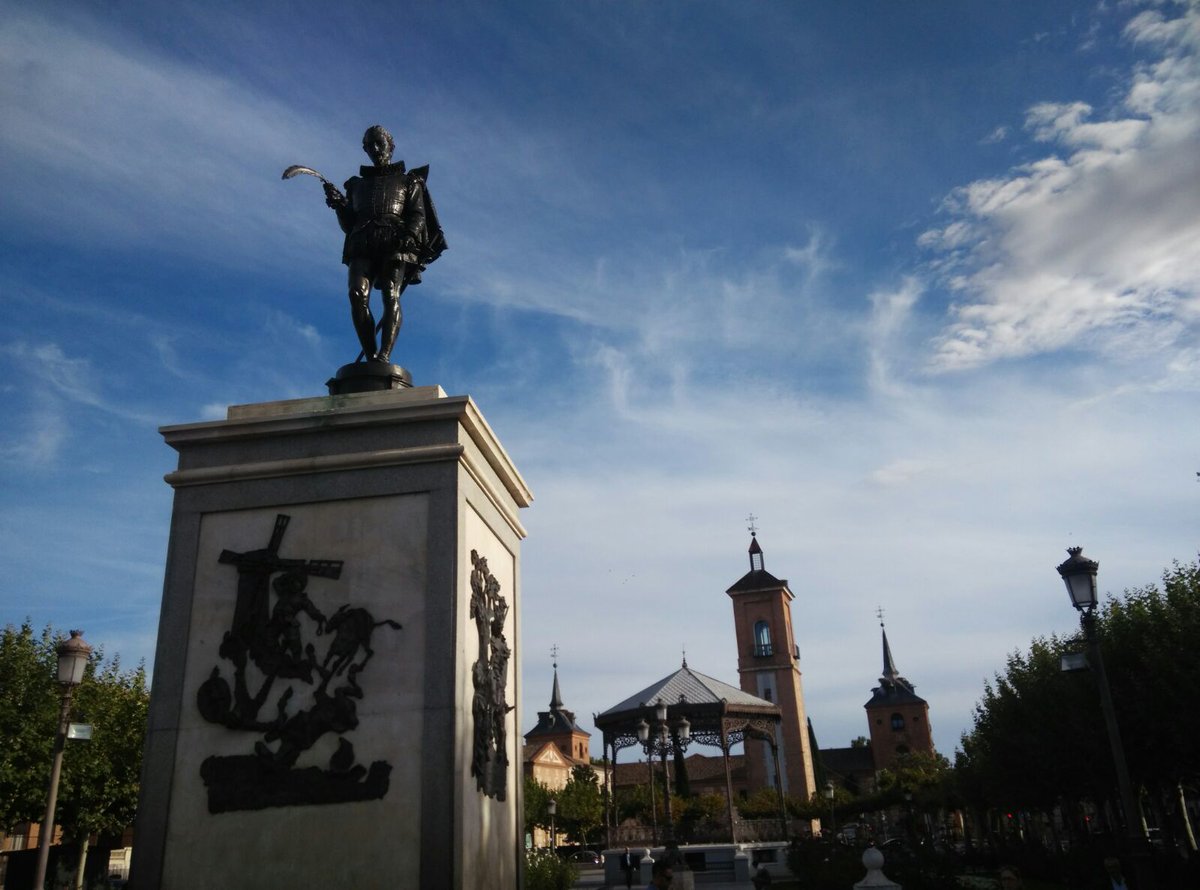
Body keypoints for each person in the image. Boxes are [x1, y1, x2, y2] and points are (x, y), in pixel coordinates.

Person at [324, 125, 446, 364]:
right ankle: (370, 356)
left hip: (396, 241)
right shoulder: (356, 185)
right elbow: (349, 224)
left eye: (379, 143)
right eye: (370, 146)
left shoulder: (408, 180)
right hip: (361, 241)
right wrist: (339, 205)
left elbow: (418, 214)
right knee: (356, 294)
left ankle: (384, 355)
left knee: (390, 294)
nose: (375, 149)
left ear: (391, 145)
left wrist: (410, 235)